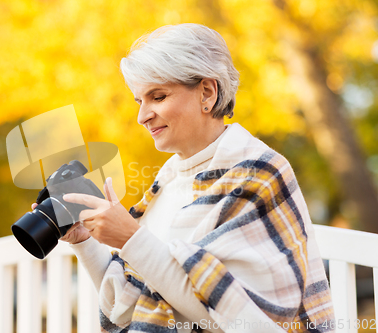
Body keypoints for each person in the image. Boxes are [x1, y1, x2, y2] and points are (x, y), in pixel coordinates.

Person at [33, 23, 335, 333]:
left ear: (207, 92)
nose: (142, 116)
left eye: (158, 97)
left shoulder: (260, 173)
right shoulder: (168, 182)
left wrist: (131, 239)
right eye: (140, 101)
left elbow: (241, 321)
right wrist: (84, 241)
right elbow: (126, 309)